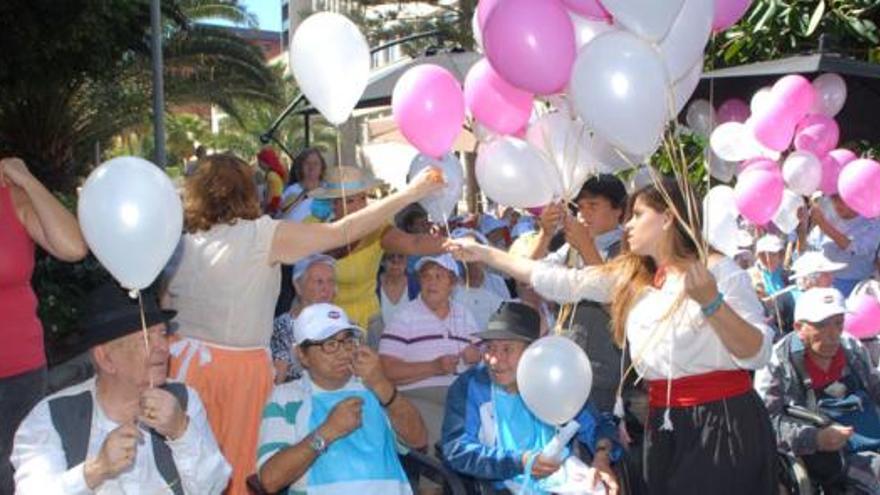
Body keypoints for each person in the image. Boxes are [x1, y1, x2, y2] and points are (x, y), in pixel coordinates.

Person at [448, 180, 778, 494]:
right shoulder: (634, 276)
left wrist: (712, 303)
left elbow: (757, 352)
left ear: (667, 218)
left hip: (720, 420)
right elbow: (557, 280)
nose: (629, 225)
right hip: (662, 421)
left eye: (637, 215)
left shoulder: (720, 272)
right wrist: (484, 253)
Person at [163, 153, 443, 495]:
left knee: (187, 469)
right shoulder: (260, 235)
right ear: (247, 192)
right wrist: (410, 193)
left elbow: (166, 310)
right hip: (236, 375)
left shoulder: (182, 243)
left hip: (181, 369)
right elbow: (341, 231)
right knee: (235, 476)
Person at [11, 283, 230, 494]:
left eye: (163, 334)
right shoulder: (51, 416)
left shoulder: (183, 400)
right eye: (146, 338)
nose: (164, 348)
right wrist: (96, 469)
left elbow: (213, 488)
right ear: (105, 358)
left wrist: (181, 431)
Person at [442, 302, 621, 495]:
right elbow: (457, 449)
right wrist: (520, 461)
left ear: (532, 352)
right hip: (500, 486)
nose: (494, 360)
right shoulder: (472, 386)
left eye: (507, 349)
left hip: (561, 482)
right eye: (490, 348)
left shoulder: (556, 380)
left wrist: (602, 457)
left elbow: (599, 426)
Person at [257, 303, 427, 494]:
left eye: (347, 342)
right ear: (302, 355)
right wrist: (327, 432)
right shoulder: (286, 397)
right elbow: (270, 480)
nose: (343, 353)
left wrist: (382, 384)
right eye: (330, 344)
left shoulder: (373, 386)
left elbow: (418, 439)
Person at [0, 156, 89, 493]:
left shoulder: (13, 198)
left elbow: (73, 246)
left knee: (20, 478)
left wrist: (27, 180)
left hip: (18, 375)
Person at [755, 287, 880, 494]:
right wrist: (815, 438)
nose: (833, 335)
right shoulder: (777, 362)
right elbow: (765, 424)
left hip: (868, 436)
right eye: (821, 325)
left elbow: (875, 387)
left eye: (839, 323)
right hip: (825, 456)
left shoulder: (851, 347)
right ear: (798, 327)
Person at [526, 174, 628, 413]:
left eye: (593, 206)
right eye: (580, 207)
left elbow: (617, 303)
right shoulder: (571, 246)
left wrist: (586, 248)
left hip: (604, 372)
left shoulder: (627, 249)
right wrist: (546, 235)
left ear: (619, 211)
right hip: (565, 365)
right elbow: (530, 276)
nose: (584, 214)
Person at [308, 165, 446, 337]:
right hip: (323, 322)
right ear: (333, 204)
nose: (359, 205)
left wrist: (453, 243)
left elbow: (414, 243)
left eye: (362, 198)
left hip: (369, 320)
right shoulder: (312, 228)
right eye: (350, 200)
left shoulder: (377, 228)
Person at [379, 254, 482, 448]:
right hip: (420, 397)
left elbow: (481, 352)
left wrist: (476, 354)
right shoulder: (404, 316)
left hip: (462, 395)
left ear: (452, 284)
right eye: (426, 276)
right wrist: (433, 367)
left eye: (438, 276)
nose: (431, 282)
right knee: (444, 446)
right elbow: (386, 370)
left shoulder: (465, 314)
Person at [271, 254, 337, 384]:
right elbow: (279, 377)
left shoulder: (342, 324)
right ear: (298, 286)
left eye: (331, 281)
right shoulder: (283, 327)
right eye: (319, 282)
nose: (326, 289)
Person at [802, 194, 880, 297]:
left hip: (857, 286)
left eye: (842, 198)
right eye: (834, 198)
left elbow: (855, 247)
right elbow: (812, 245)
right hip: (825, 283)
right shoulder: (826, 212)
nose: (837, 203)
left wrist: (823, 224)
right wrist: (803, 223)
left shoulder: (873, 222)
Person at [450, 228, 509, 330]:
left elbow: (507, 315)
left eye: (476, 249)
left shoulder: (497, 281)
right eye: (465, 250)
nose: (471, 255)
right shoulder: (451, 286)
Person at [281, 147, 326, 223]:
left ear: (322, 168)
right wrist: (302, 195)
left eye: (316, 163)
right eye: (307, 163)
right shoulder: (291, 190)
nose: (311, 167)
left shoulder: (330, 191)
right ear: (301, 167)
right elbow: (280, 216)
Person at [378, 252, 416, 327]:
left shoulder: (417, 286)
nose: (396, 261)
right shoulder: (370, 287)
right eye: (390, 257)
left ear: (407, 260)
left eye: (401, 257)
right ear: (382, 261)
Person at [257, 147, 290, 217]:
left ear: (265, 162)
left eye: (259, 161)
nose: (258, 164)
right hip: (276, 206)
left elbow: (269, 197)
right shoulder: (274, 174)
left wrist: (263, 210)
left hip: (272, 208)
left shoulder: (271, 175)